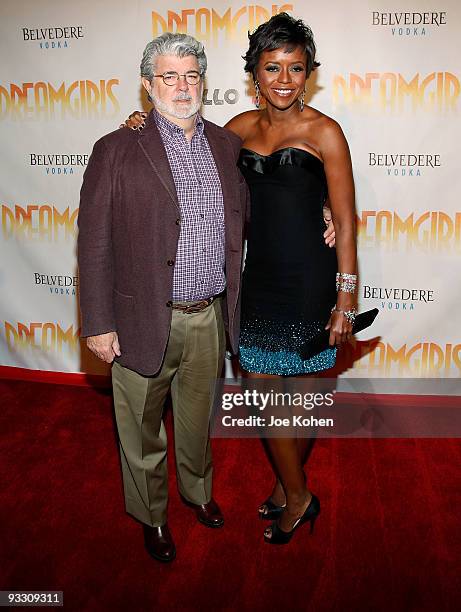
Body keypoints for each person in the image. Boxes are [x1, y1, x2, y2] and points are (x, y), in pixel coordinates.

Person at [77, 32, 248, 563]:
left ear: (203, 82)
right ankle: (151, 516)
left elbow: (254, 207)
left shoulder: (226, 144)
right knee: (141, 433)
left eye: (191, 75)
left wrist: (323, 213)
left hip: (209, 317)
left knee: (197, 425)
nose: (181, 86)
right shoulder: (115, 149)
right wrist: (99, 322)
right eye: (169, 76)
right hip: (139, 319)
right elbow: (95, 241)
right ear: (148, 85)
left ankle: (198, 493)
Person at [223, 13, 358, 544]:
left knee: (299, 399)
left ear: (309, 73)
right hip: (260, 278)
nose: (283, 79)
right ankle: (296, 489)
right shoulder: (235, 130)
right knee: (263, 393)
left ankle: (291, 489)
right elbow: (181, 152)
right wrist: (139, 125)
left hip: (309, 279)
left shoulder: (325, 131)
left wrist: (345, 300)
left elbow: (345, 221)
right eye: (272, 67)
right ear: (255, 72)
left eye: (295, 68)